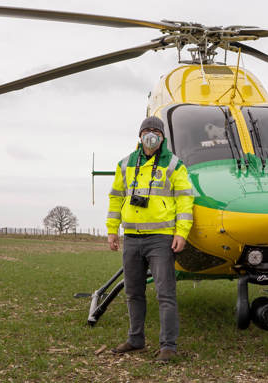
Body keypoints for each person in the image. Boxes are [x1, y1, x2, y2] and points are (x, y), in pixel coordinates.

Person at [106, 116, 194, 362]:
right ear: (140, 135)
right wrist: (113, 230)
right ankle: (136, 340)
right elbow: (115, 198)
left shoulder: (175, 165)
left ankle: (168, 346)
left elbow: (185, 200)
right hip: (132, 237)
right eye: (147, 130)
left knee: (165, 294)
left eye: (156, 131)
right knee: (133, 292)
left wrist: (182, 232)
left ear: (163, 137)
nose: (151, 134)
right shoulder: (125, 164)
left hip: (161, 238)